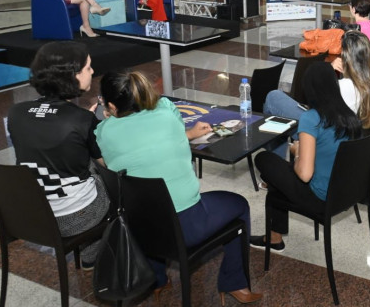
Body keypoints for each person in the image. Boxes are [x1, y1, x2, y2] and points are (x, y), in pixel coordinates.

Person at [95, 71, 261, 304]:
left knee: (150, 203)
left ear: (111, 105)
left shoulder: (103, 132)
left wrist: (108, 114)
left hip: (136, 229)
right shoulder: (165, 110)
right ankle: (235, 283)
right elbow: (163, 113)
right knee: (239, 205)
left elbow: (115, 135)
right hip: (185, 228)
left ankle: (157, 279)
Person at [7, 41, 109, 269]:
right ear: (72, 75)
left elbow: (44, 140)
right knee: (113, 180)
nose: (92, 72)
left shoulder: (15, 113)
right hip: (76, 217)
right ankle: (92, 253)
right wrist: (98, 129)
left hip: (35, 212)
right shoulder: (81, 120)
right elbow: (106, 165)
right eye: (88, 68)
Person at [251, 63, 363, 253]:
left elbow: (304, 174)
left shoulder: (311, 118)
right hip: (343, 193)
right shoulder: (349, 115)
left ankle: (274, 237)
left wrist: (297, 153)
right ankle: (274, 237)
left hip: (319, 197)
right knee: (279, 179)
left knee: (264, 160)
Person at [264, 31, 370, 153]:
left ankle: (283, 153)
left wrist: (329, 68)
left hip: (325, 133)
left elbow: (311, 93)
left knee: (273, 97)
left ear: (346, 57)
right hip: (345, 133)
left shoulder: (343, 86)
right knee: (280, 118)